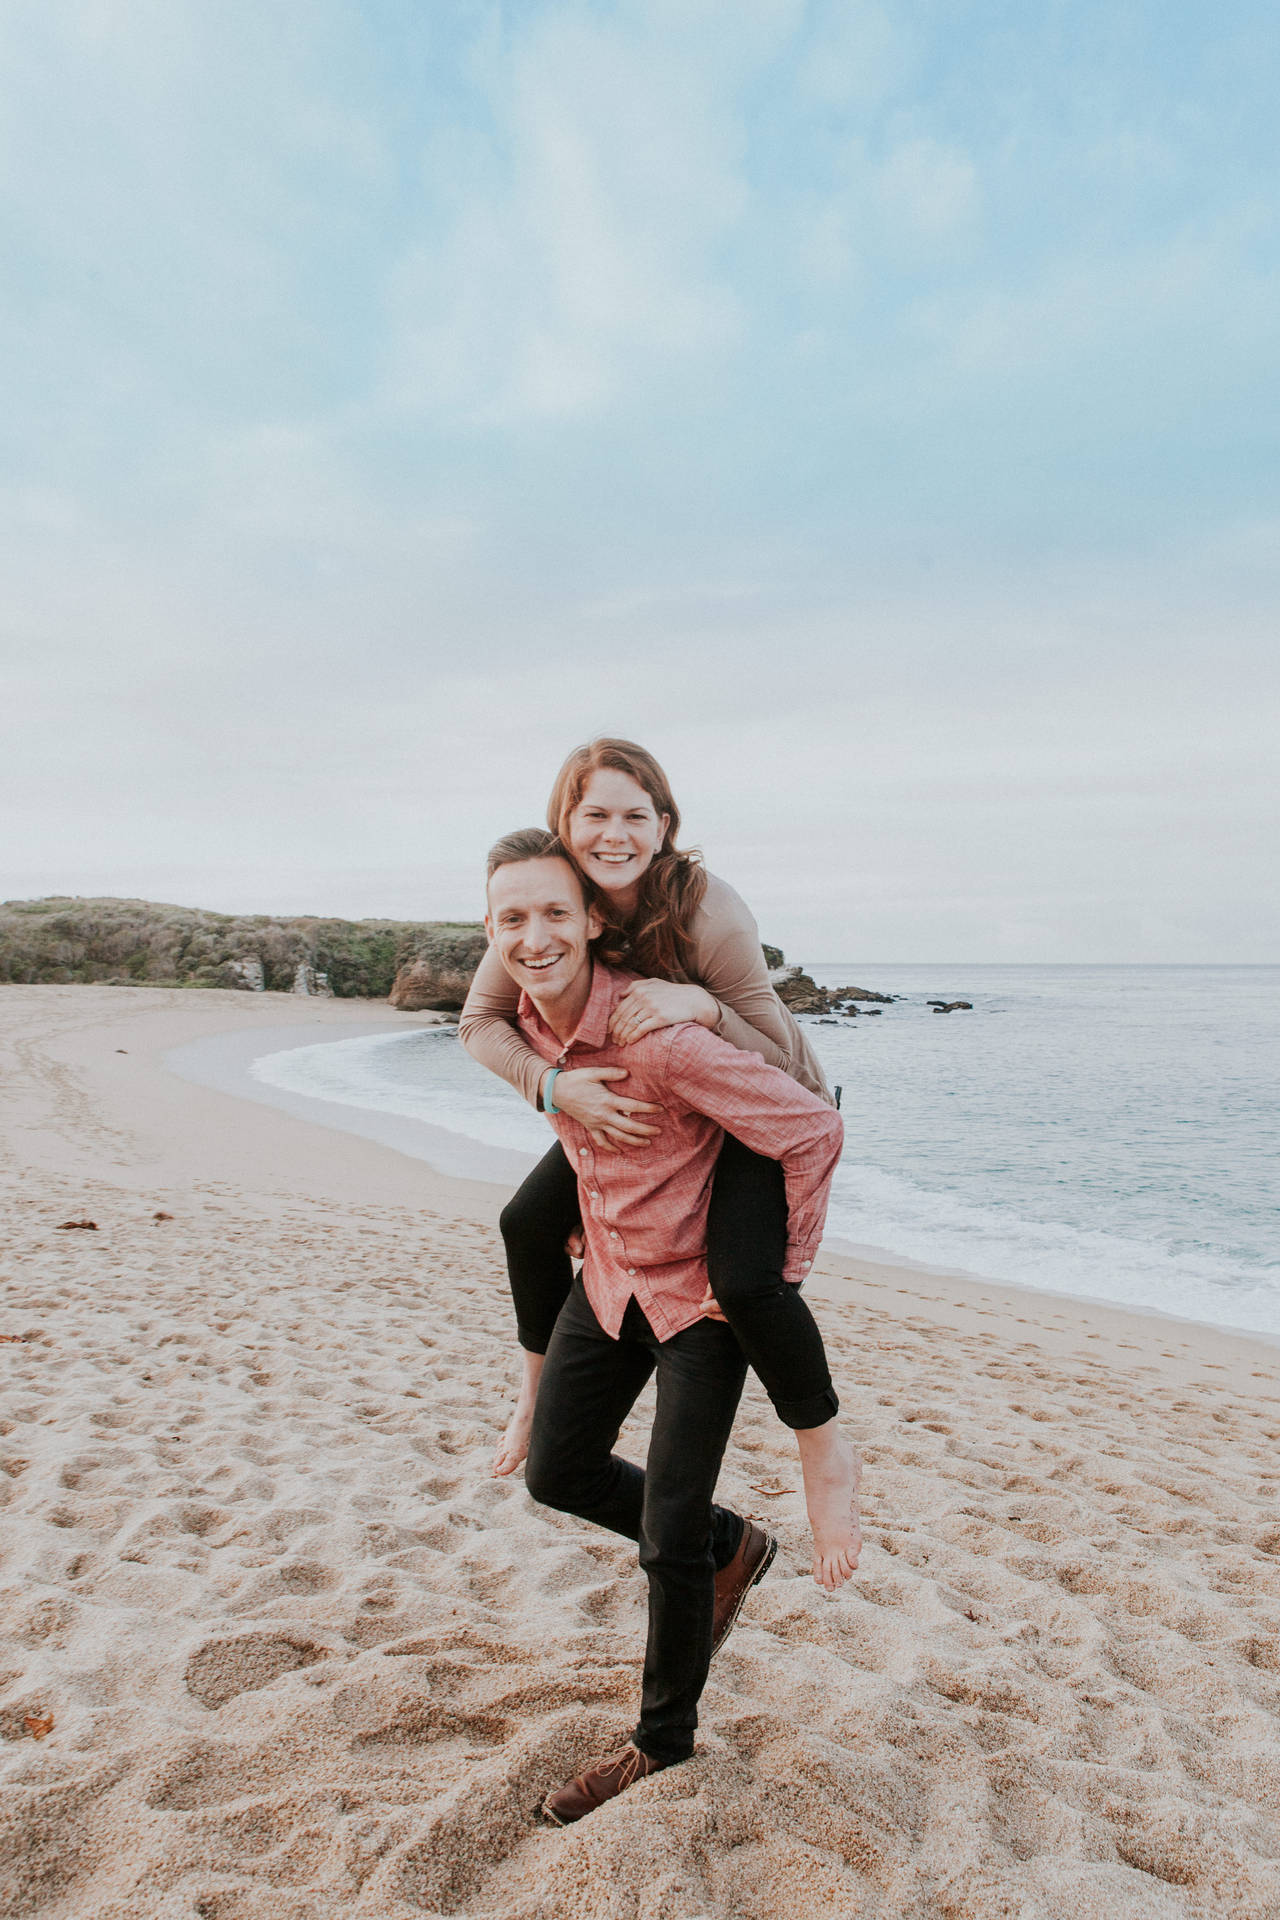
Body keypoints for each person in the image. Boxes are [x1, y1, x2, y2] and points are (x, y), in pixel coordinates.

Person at [482, 828, 847, 1822]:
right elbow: (493, 1044)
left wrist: (779, 1270)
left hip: (697, 1301)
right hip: (606, 1280)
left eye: (554, 913)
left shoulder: (657, 1035)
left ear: (595, 922)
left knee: (666, 1534)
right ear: (490, 930)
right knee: (559, 1471)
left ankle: (659, 1745)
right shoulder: (526, 1023)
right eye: (511, 918)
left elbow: (811, 1126)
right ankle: (730, 1547)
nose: (534, 935)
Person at [461, 738, 861, 1589]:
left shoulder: (709, 910)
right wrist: (553, 1087)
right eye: (593, 815)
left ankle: (823, 1448)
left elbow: (782, 1062)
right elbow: (483, 1026)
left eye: (635, 815)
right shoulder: (546, 902)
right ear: (562, 825)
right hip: (642, 1096)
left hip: (761, 1107)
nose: (614, 835)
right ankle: (533, 1397)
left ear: (666, 824)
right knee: (527, 1221)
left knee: (748, 1284)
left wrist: (702, 1005)